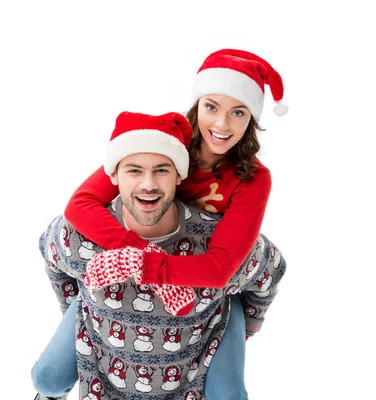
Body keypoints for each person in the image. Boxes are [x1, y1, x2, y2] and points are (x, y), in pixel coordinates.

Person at [63, 48, 288, 391]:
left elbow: (219, 268)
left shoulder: (254, 178)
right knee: (50, 374)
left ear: (252, 119)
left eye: (238, 112)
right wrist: (135, 251)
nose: (222, 125)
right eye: (212, 107)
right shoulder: (166, 141)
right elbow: (81, 204)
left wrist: (147, 264)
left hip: (206, 294)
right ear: (198, 105)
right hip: (132, 283)